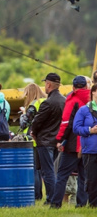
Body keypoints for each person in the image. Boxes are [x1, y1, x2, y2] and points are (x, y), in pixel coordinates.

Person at [50, 76, 90, 208]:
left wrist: (60, 139)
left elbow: (66, 123)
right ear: (86, 86)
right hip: (88, 143)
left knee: (62, 174)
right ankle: (82, 203)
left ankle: (55, 204)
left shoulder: (73, 99)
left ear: (73, 87)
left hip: (73, 143)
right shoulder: (92, 99)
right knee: (83, 175)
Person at [30, 73, 65, 205]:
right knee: (53, 170)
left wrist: (34, 132)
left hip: (45, 141)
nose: (45, 86)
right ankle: (54, 197)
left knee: (47, 171)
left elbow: (37, 121)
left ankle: (51, 199)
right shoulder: (64, 101)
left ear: (49, 84)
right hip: (57, 141)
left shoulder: (48, 103)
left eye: (45, 83)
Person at [73, 83, 97, 207]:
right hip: (90, 150)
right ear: (93, 92)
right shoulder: (84, 110)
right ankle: (93, 205)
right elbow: (76, 128)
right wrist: (90, 130)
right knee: (92, 180)